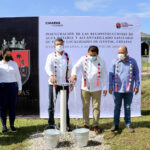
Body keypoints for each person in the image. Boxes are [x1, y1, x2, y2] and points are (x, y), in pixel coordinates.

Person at [71, 46, 107, 134]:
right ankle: (86, 124)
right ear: (88, 53)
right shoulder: (83, 59)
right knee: (85, 107)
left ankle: (95, 125)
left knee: (96, 107)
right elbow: (75, 67)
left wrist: (105, 87)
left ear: (97, 54)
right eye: (90, 55)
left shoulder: (101, 62)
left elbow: (104, 75)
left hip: (97, 89)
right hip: (85, 88)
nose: (92, 57)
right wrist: (74, 74)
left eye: (94, 55)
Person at [109, 46, 140, 132]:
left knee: (127, 107)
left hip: (129, 90)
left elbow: (136, 74)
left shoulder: (132, 61)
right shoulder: (114, 62)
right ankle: (115, 124)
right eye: (119, 52)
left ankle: (128, 124)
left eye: (122, 52)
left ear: (126, 52)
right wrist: (110, 87)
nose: (120, 54)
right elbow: (110, 75)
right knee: (117, 107)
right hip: (117, 90)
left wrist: (136, 86)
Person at [45, 38, 72, 131]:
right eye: (57, 44)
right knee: (51, 104)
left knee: (65, 105)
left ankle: (67, 125)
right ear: (54, 46)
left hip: (64, 84)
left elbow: (70, 69)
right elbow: (47, 67)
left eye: (60, 44)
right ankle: (51, 124)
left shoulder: (67, 56)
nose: (59, 46)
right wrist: (51, 75)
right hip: (53, 84)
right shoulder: (51, 56)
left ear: (63, 45)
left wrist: (71, 81)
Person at [0, 49, 22, 134]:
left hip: (13, 87)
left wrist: (20, 88)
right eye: (7, 54)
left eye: (10, 54)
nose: (8, 56)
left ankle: (12, 125)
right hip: (2, 87)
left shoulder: (14, 64)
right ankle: (4, 126)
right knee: (3, 108)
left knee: (12, 107)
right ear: (3, 54)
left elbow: (18, 76)